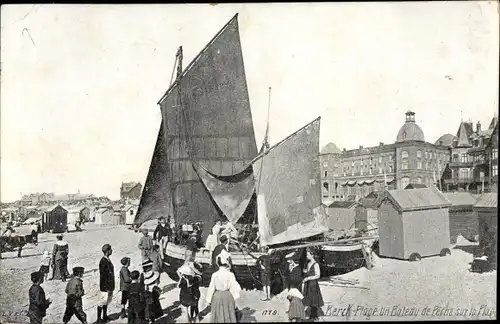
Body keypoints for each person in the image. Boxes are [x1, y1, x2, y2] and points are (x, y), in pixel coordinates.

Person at [205, 251, 242, 323]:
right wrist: (236, 300)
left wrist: (208, 300)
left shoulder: (215, 274)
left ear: (218, 263)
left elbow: (211, 288)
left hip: (217, 296)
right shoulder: (230, 274)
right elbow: (234, 288)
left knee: (218, 315)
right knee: (228, 314)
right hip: (228, 296)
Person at [302, 249, 324, 321]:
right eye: (306, 255)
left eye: (308, 255)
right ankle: (311, 316)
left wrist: (308, 278)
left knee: (313, 300)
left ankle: (315, 316)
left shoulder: (316, 264)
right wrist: (305, 273)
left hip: (313, 285)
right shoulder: (308, 264)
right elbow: (308, 272)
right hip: (308, 284)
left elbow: (318, 275)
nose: (307, 256)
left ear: (312, 255)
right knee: (308, 300)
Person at [98, 244, 115, 323]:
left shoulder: (107, 260)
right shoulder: (103, 261)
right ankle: (99, 318)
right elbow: (103, 276)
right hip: (105, 286)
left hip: (108, 285)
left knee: (106, 302)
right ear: (107, 251)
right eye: (110, 250)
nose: (112, 251)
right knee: (102, 302)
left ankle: (104, 316)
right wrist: (107, 287)